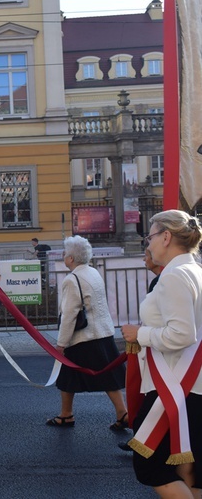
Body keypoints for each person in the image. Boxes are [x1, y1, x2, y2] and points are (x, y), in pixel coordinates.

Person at [121, 210, 202, 498]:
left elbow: (182, 334)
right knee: (187, 469)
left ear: (166, 237)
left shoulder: (174, 276)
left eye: (151, 236)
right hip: (189, 384)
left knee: (150, 466)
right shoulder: (194, 269)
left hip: (175, 386)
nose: (149, 243)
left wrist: (138, 334)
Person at [48, 235, 127, 429]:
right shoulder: (93, 272)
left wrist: (61, 344)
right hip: (102, 332)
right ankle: (121, 413)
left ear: (71, 259)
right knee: (106, 376)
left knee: (68, 375)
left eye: (65, 254)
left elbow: (69, 314)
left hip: (83, 337)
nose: (64, 256)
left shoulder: (71, 279)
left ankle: (67, 415)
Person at [118, 248, 164, 452]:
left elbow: (178, 330)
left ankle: (144, 441)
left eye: (147, 254)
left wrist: (140, 334)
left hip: (162, 356)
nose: (144, 258)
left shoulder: (164, 281)